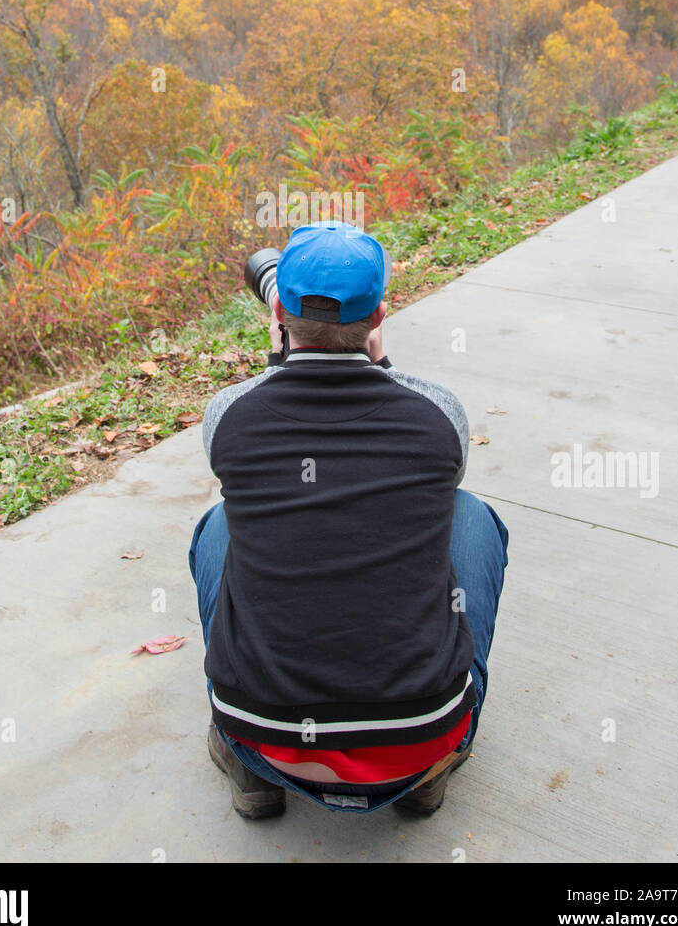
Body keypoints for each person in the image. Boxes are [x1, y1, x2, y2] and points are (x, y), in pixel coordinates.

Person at [189, 220, 509, 818]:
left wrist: (284, 354)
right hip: (422, 734)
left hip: (264, 737)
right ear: (381, 314)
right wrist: (378, 369)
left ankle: (249, 772)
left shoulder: (228, 416)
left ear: (278, 308)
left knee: (219, 524)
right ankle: (426, 774)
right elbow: (419, 487)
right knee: (470, 517)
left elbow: (279, 428)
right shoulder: (439, 416)